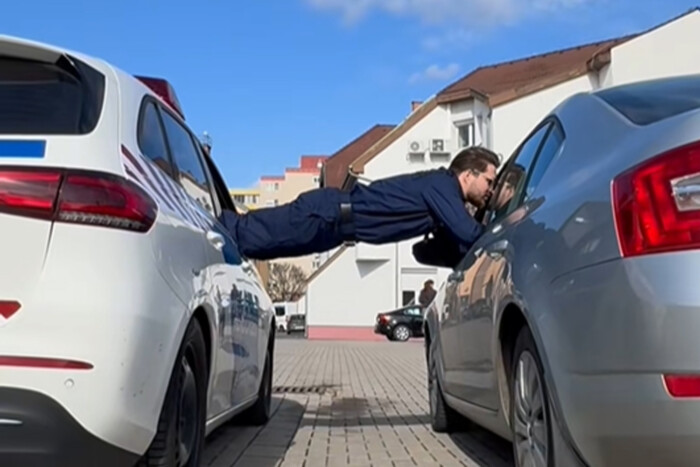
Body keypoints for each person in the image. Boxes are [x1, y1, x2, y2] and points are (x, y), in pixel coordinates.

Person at [218, 146, 499, 262]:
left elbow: (425, 253)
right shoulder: (443, 185)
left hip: (334, 228)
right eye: (489, 181)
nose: (491, 190)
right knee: (241, 234)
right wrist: (504, 226)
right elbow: (470, 234)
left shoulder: (444, 197)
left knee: (255, 248)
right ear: (468, 175)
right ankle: (209, 227)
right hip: (326, 214)